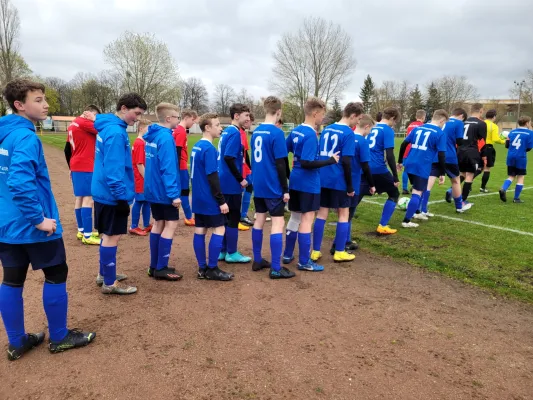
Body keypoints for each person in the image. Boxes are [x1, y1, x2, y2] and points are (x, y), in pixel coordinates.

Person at [0, 79, 95, 360]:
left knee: (12, 279)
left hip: (6, 224)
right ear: (19, 105)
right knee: (56, 274)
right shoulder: (26, 137)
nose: (46, 105)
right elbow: (19, 182)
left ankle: (17, 342)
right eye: (39, 99)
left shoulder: (4, 134)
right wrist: (39, 219)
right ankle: (60, 336)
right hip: (30, 225)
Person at [92, 93, 147, 295]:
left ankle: (104, 274)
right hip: (111, 194)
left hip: (102, 191)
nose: (137, 118)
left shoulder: (109, 126)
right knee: (111, 237)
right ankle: (109, 282)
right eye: (136, 113)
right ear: (124, 108)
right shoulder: (116, 132)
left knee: (107, 235)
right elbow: (114, 171)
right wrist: (121, 198)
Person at [284, 97, 339, 272]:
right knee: (307, 219)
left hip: (295, 180)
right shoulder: (310, 134)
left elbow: (287, 151)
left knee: (295, 217)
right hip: (308, 183)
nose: (322, 119)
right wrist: (330, 161)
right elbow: (307, 163)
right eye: (322, 115)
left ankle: (287, 254)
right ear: (315, 113)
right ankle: (304, 261)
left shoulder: (295, 131)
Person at [311, 102, 363, 264]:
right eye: (358, 119)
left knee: (321, 213)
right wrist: (349, 186)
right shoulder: (348, 133)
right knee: (343, 213)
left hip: (323, 177)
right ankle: (340, 251)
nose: (357, 123)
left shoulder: (327, 129)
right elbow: (346, 162)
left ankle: (315, 251)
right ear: (352, 115)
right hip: (338, 179)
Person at [250, 96, 294, 279]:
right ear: (279, 111)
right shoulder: (277, 133)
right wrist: (285, 189)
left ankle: (258, 259)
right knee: (278, 222)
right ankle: (276, 267)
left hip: (258, 184)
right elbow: (281, 164)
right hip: (273, 185)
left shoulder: (256, 131)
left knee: (259, 219)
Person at [191, 113, 233, 281]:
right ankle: (213, 268)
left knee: (200, 230)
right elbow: (212, 177)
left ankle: (202, 268)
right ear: (207, 128)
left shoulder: (197, 146)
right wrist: (221, 200)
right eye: (217, 125)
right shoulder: (209, 148)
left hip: (198, 197)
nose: (220, 127)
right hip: (208, 197)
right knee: (219, 229)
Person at [144, 103, 183, 281]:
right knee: (171, 224)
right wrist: (174, 194)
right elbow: (168, 169)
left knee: (158, 223)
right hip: (164, 192)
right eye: (177, 117)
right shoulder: (166, 138)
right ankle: (161, 267)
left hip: (152, 189)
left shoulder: (152, 136)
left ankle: (154, 265)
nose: (179, 120)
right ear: (168, 119)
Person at [330, 114, 376, 255]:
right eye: (370, 129)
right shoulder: (362, 141)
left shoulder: (347, 136)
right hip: (354, 180)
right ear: (367, 126)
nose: (369, 133)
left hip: (339, 178)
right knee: (347, 214)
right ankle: (338, 244)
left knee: (344, 213)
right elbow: (366, 166)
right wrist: (372, 184)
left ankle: (345, 241)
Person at [397, 110, 448, 228]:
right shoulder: (440, 133)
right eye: (443, 123)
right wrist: (442, 172)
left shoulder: (418, 128)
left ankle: (417, 212)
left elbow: (404, 144)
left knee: (422, 188)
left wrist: (400, 161)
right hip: (422, 165)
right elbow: (441, 155)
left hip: (409, 162)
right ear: (441, 120)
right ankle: (406, 220)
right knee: (417, 191)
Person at [217, 103, 252, 263]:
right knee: (233, 217)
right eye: (246, 115)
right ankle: (232, 252)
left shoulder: (226, 132)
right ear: (236, 116)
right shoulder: (235, 133)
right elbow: (229, 157)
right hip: (230, 182)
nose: (248, 119)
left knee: (225, 218)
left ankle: (223, 251)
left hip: (223, 180)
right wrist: (241, 179)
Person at [360, 107, 401, 235]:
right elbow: (389, 155)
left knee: (357, 196)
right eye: (395, 121)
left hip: (363, 166)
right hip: (377, 168)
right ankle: (382, 225)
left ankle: (344, 225)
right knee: (394, 193)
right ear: (393, 118)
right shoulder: (387, 130)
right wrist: (395, 176)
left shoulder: (372, 126)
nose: (394, 124)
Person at [66, 105, 102, 245]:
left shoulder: (74, 123)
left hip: (76, 163)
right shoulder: (84, 122)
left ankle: (82, 231)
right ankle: (87, 235)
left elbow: (68, 147)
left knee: (79, 198)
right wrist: (95, 120)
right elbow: (103, 130)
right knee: (89, 199)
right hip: (86, 164)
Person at [428, 108, 472, 214]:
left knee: (429, 181)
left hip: (434, 155)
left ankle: (421, 207)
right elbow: (459, 141)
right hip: (449, 155)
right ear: (461, 116)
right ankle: (459, 206)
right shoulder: (458, 123)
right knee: (455, 181)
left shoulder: (433, 122)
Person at [499, 116, 533, 204]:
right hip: (521, 157)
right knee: (521, 177)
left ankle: (503, 188)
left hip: (510, 156)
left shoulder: (512, 132)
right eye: (529, 122)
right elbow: (529, 148)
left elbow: (507, 145)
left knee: (511, 176)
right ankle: (516, 198)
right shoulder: (530, 133)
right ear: (526, 123)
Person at [458, 103, 487, 204]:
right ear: (481, 111)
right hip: (471, 151)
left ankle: (450, 191)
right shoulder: (482, 123)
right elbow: (482, 142)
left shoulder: (463, 122)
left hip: (460, 150)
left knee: (461, 173)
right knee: (470, 175)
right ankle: (462, 201)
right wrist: (484, 156)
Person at [172, 109, 197, 226]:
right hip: (180, 167)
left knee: (178, 191)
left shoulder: (177, 129)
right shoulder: (181, 131)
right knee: (184, 191)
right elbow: (177, 150)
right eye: (192, 120)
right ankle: (188, 217)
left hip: (179, 166)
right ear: (186, 117)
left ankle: (177, 216)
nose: (193, 123)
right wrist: (176, 169)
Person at [129, 118, 152, 236]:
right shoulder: (139, 143)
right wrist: (147, 179)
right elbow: (139, 164)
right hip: (140, 178)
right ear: (141, 129)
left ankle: (147, 224)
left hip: (143, 177)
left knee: (147, 201)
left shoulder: (143, 142)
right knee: (139, 201)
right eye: (148, 129)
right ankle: (134, 226)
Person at [481, 109, 506, 192]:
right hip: (488, 148)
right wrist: (504, 141)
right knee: (487, 169)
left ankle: (468, 184)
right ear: (494, 117)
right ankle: (482, 187)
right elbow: (495, 139)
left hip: (478, 147)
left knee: (478, 168)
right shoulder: (493, 126)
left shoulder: (481, 123)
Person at [402, 110, 426, 194]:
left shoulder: (410, 125)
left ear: (416, 117)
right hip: (415, 150)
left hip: (406, 149)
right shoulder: (423, 126)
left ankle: (404, 188)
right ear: (423, 117)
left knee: (406, 169)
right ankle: (415, 186)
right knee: (417, 169)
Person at [239, 113, 253, 229]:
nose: (250, 123)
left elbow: (245, 152)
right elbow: (244, 154)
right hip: (242, 167)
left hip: (243, 166)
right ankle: (242, 215)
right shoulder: (241, 133)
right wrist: (250, 167)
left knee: (248, 187)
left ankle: (242, 214)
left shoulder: (240, 132)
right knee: (247, 187)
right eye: (249, 121)